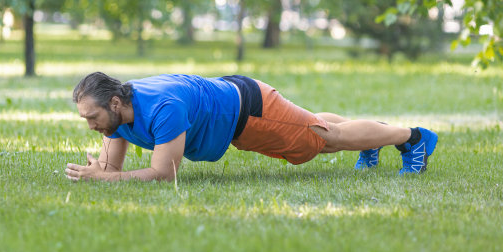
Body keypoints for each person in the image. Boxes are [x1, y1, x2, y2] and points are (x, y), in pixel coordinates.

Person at [65, 72, 438, 182]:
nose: (91, 126)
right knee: (316, 126)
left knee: (324, 141)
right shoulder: (117, 116)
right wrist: (100, 170)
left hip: (250, 110)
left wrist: (106, 178)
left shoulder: (163, 107)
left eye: (92, 117)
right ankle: (369, 138)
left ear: (114, 103)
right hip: (234, 110)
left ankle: (413, 138)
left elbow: (164, 173)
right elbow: (110, 168)